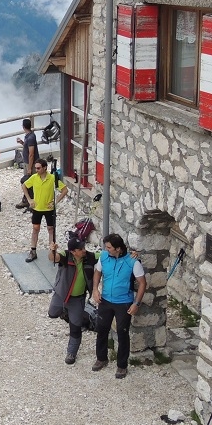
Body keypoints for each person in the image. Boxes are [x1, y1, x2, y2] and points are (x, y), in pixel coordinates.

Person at [91, 233, 146, 379]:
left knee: (122, 333)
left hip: (124, 303)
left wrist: (136, 303)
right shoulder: (104, 257)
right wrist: (95, 290)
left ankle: (122, 366)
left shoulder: (133, 262)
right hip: (105, 301)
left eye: (109, 247)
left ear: (118, 248)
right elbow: (97, 272)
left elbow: (142, 283)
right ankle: (101, 358)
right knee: (101, 329)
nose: (106, 249)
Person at [48, 237, 97, 365]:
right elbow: (54, 258)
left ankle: (71, 353)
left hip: (78, 298)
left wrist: (127, 254)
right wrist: (52, 251)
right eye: (80, 249)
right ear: (73, 251)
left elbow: (106, 255)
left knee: (75, 327)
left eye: (83, 247)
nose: (84, 250)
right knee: (52, 314)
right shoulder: (65, 255)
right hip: (61, 295)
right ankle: (68, 313)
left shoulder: (89, 257)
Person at [21, 158, 67, 263]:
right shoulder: (34, 178)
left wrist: (55, 202)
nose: (36, 170)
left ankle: (52, 252)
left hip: (49, 209)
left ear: (45, 167)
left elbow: (64, 190)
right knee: (35, 229)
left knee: (51, 229)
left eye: (38, 168)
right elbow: (24, 186)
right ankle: (33, 251)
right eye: (35, 168)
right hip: (37, 209)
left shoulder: (52, 178)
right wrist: (29, 199)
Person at [15, 119, 38, 209]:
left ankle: (29, 201)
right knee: (28, 181)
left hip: (30, 164)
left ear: (23, 126)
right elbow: (28, 147)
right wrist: (22, 142)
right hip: (28, 163)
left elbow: (31, 154)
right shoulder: (29, 136)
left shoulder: (31, 137)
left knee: (29, 182)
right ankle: (28, 200)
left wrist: (29, 167)